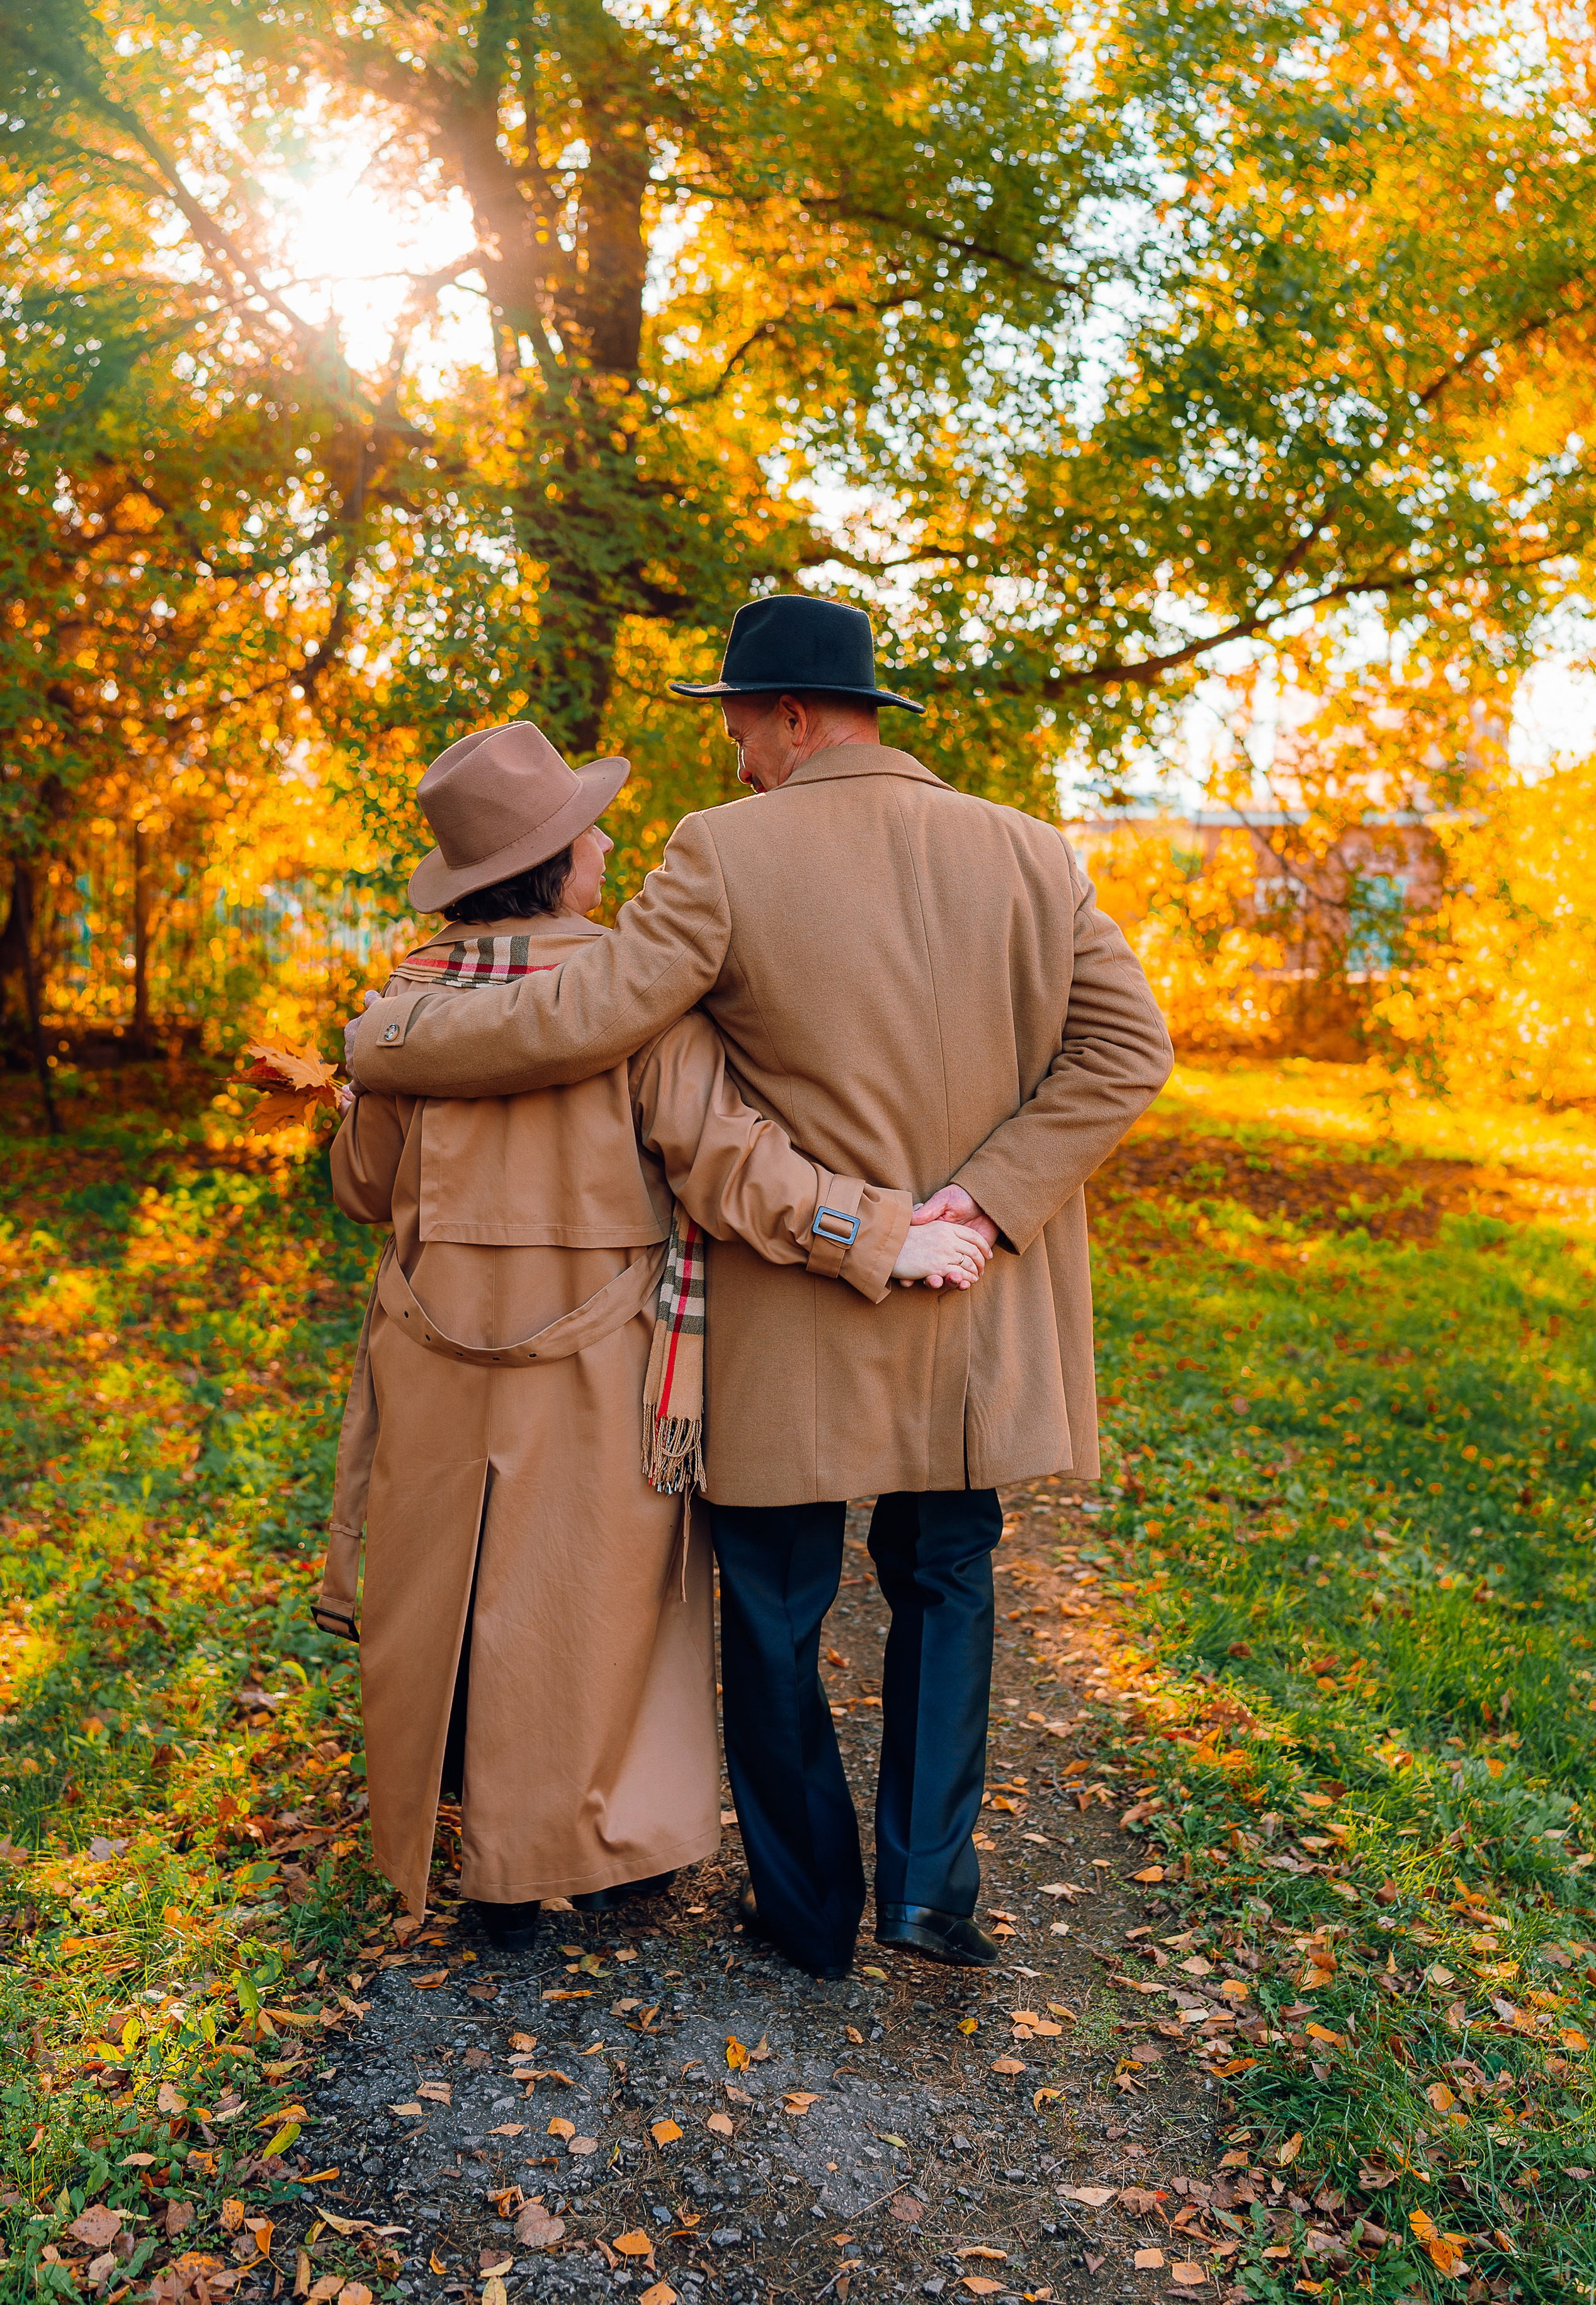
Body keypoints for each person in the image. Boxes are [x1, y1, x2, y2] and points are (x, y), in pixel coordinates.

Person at [348, 595, 1174, 1978]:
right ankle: (927, 1891)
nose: (731, 756)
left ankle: (804, 1916)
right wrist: (984, 1198)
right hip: (970, 1293)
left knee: (777, 1606)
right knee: (948, 1574)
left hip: (796, 1306)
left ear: (792, 716)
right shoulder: (1033, 853)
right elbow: (1125, 1052)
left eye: (736, 724)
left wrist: (391, 1037)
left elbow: (584, 1017)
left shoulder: (718, 854)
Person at [314, 718, 988, 1949]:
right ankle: (602, 1853)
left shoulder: (405, 1010)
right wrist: (877, 1234)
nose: (609, 841)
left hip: (431, 1352)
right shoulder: (627, 999)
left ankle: (475, 1863)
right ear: (559, 861)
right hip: (596, 1354)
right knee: (594, 1608)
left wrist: (361, 1101)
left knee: (454, 1602)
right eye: (590, 830)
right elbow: (730, 1167)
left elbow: (364, 1191)